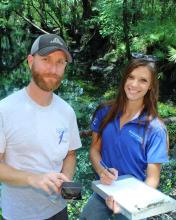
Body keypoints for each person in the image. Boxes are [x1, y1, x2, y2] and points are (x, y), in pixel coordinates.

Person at [0, 33, 81, 220]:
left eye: (60, 62)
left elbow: (70, 154)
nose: (53, 69)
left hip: (58, 211)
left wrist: (66, 183)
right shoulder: (5, 110)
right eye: (46, 59)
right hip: (19, 214)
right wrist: (34, 179)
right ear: (30, 61)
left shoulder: (67, 111)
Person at [80, 58, 168, 220]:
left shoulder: (155, 129)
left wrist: (133, 203)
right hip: (104, 190)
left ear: (150, 86)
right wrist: (102, 172)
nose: (134, 84)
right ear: (124, 78)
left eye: (143, 80)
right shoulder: (104, 111)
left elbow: (153, 178)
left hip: (134, 200)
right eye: (131, 77)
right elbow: (94, 149)